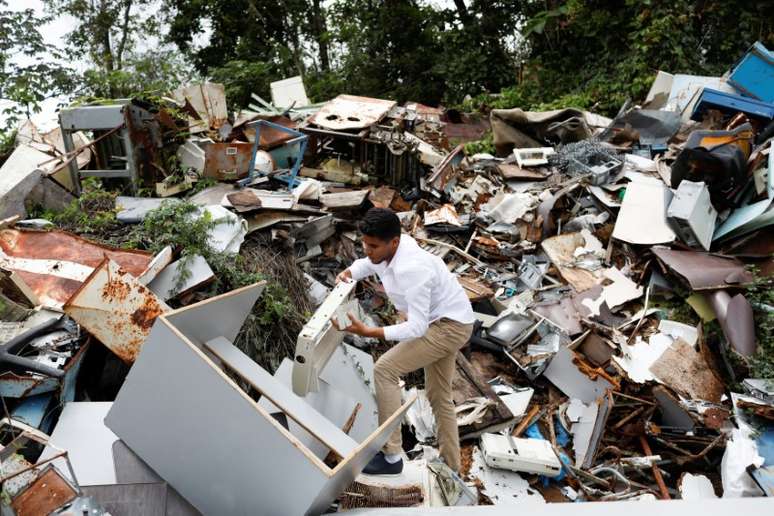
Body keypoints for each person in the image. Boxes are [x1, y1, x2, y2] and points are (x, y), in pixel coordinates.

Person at [334, 208, 474, 475]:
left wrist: (369, 332)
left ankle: (391, 456)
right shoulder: (390, 248)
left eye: (373, 245)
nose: (367, 250)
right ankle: (452, 467)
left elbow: (417, 327)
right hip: (449, 319)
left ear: (394, 242)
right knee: (438, 394)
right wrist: (350, 272)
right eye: (364, 243)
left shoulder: (413, 269)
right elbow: (368, 263)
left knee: (384, 369)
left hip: (447, 327)